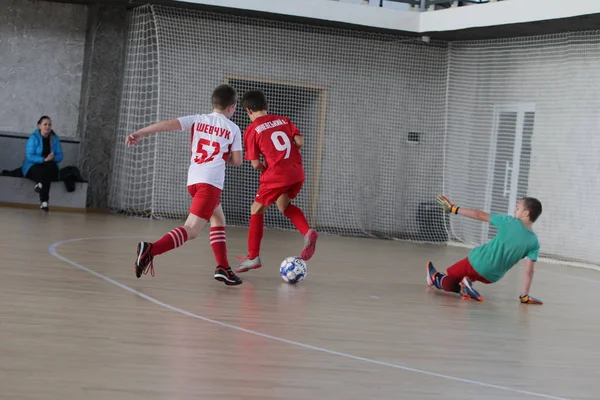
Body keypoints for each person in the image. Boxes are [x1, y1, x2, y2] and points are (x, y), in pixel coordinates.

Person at [126, 84, 243, 286]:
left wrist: (141, 132)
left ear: (213, 103)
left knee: (218, 219)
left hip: (194, 180)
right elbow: (237, 161)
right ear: (231, 108)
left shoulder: (197, 119)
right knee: (192, 229)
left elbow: (167, 124)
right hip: (211, 183)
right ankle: (150, 250)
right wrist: (225, 156)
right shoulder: (233, 128)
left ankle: (223, 268)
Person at [236, 90, 318, 273]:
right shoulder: (284, 120)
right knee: (284, 205)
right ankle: (307, 232)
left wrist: (268, 167)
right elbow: (300, 141)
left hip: (276, 175)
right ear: (266, 106)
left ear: (248, 111)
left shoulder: (251, 130)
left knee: (256, 209)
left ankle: (253, 256)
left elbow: (255, 163)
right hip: (297, 172)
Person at [426, 194, 543, 304]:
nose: (514, 210)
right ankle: (465, 284)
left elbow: (479, 215)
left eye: (517, 208)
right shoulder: (534, 242)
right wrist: (524, 296)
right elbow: (529, 271)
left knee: (446, 276)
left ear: (525, 213)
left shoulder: (509, 221)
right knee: (468, 277)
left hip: (478, 261)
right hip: (492, 276)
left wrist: (453, 209)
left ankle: (435, 278)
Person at [22, 116, 64, 211]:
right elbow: (29, 156)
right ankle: (44, 202)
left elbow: (60, 156)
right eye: (45, 124)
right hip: (33, 165)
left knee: (48, 169)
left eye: (49, 124)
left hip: (49, 165)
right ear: (39, 126)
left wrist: (53, 158)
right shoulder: (33, 138)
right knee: (44, 172)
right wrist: (43, 160)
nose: (47, 127)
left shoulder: (55, 139)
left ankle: (39, 184)